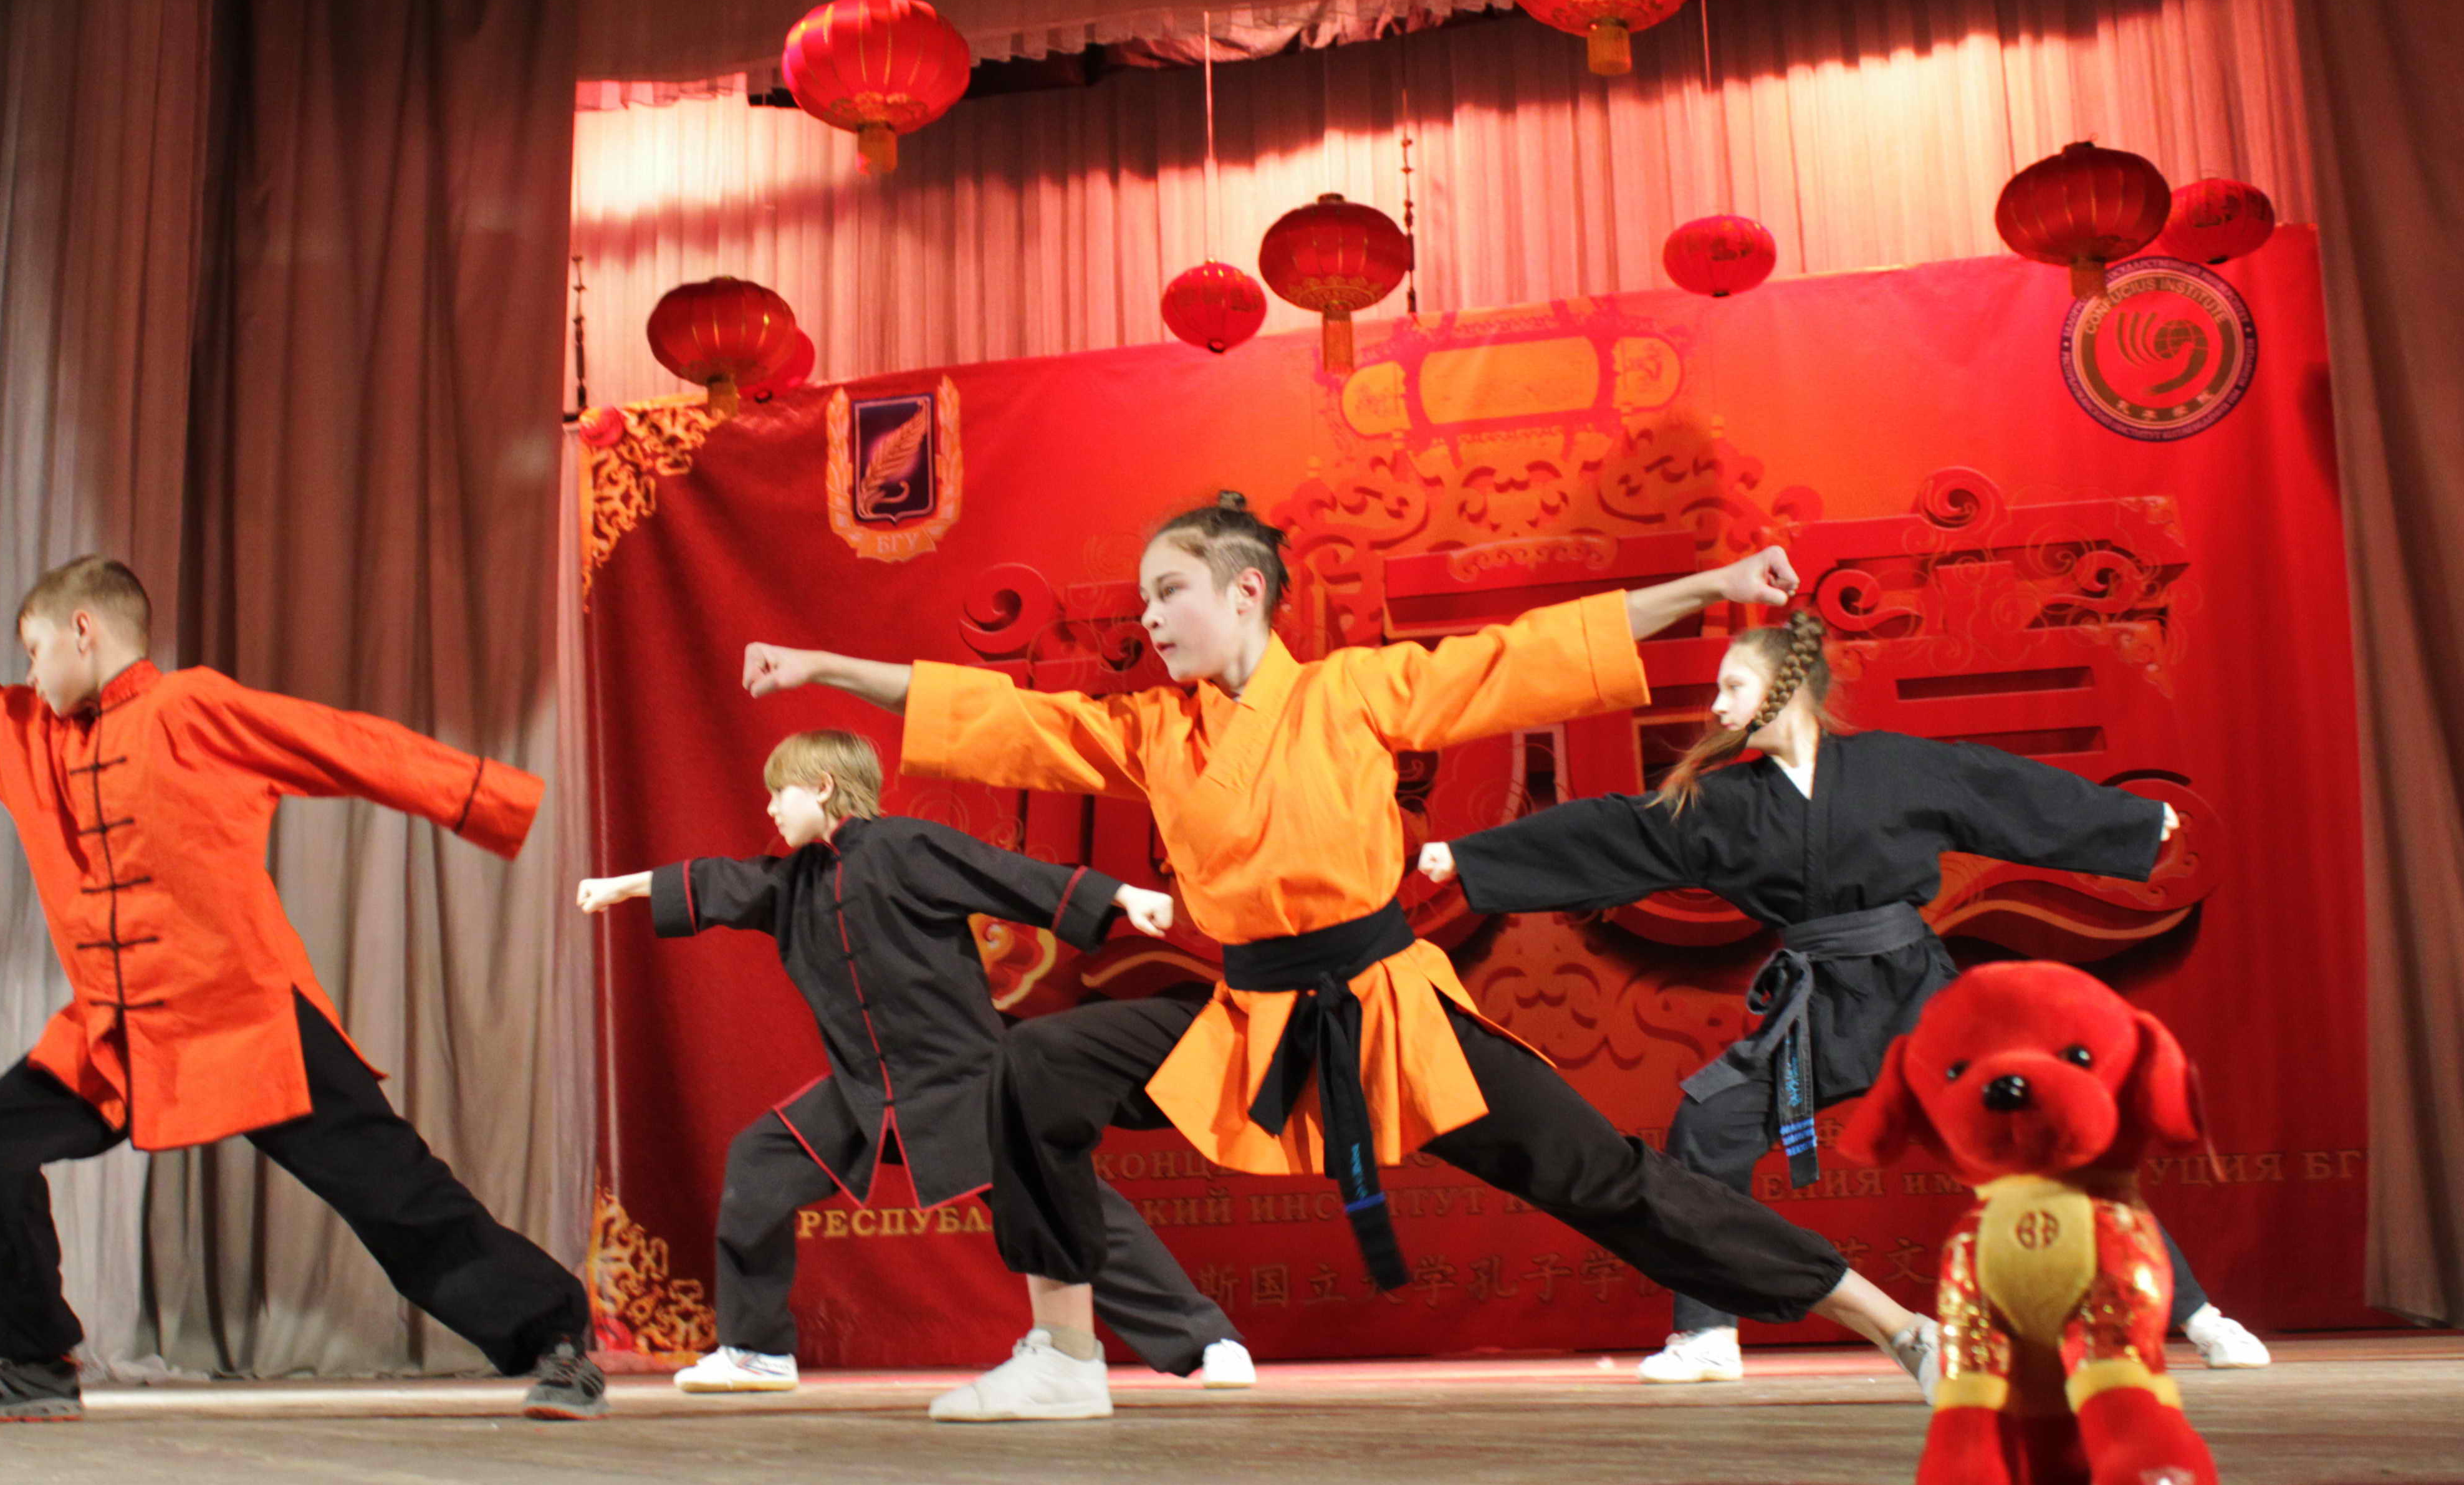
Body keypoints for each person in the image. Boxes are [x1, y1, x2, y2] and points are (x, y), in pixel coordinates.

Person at [741, 494, 1940, 1421]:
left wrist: (1711, 586)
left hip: (1381, 1011)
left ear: (1245, 592)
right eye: (1143, 599)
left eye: (1169, 592)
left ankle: (1895, 1327)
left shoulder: (1356, 693)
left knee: (1611, 1186)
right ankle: (1062, 1353)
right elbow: (997, 720)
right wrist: (824, 668)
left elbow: (1527, 655)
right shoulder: (1152, 731)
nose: (1147, 617)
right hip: (1249, 1019)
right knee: (1032, 1069)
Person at [0, 554, 606, 1421]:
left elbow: (340, 743)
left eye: (35, 651)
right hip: (118, 1036)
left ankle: (556, 1338)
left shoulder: (191, 708)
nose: (28, 675)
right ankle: (34, 1362)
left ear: (84, 630)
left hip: (247, 1016)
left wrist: (486, 798)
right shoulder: (26, 736)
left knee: (394, 1193)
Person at [1422, 609, 2271, 1381]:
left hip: (1915, 992)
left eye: (1733, 686)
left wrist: (2128, 824)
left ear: (1786, 687)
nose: (1717, 706)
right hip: (1813, 1008)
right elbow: (1613, 831)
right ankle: (1707, 1333)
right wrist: (1471, 857)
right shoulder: (1723, 804)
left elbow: (2002, 791)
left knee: (2040, 1137)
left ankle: (2198, 1317)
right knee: (1711, 1124)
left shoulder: (1896, 769)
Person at [578, 728, 1251, 1411]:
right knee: (763, 1160)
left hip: (966, 1085)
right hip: (868, 1095)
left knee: (1067, 1211)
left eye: (780, 792)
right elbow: (719, 881)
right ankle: (756, 1352)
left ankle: (1208, 1341)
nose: (772, 808)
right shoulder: (793, 883)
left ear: (823, 787)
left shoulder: (905, 847)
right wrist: (622, 887)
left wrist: (1121, 896)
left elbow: (1003, 874)